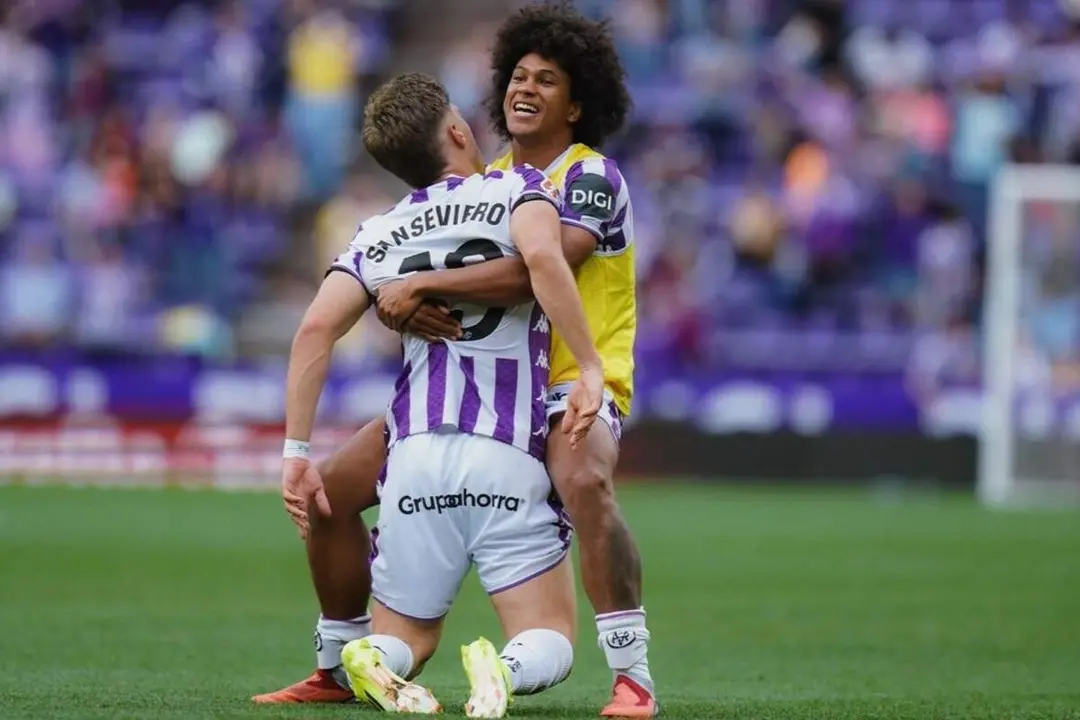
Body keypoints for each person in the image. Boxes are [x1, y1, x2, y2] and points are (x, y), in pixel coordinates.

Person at [254, 3, 658, 717]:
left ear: (579, 101)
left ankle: (633, 674)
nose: (525, 89)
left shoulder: (589, 176)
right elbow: (433, 272)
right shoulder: (496, 181)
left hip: (569, 383)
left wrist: (414, 285)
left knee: (584, 476)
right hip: (475, 396)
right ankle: (336, 663)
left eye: (548, 79)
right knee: (326, 494)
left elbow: (545, 268)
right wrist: (395, 302)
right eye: (518, 76)